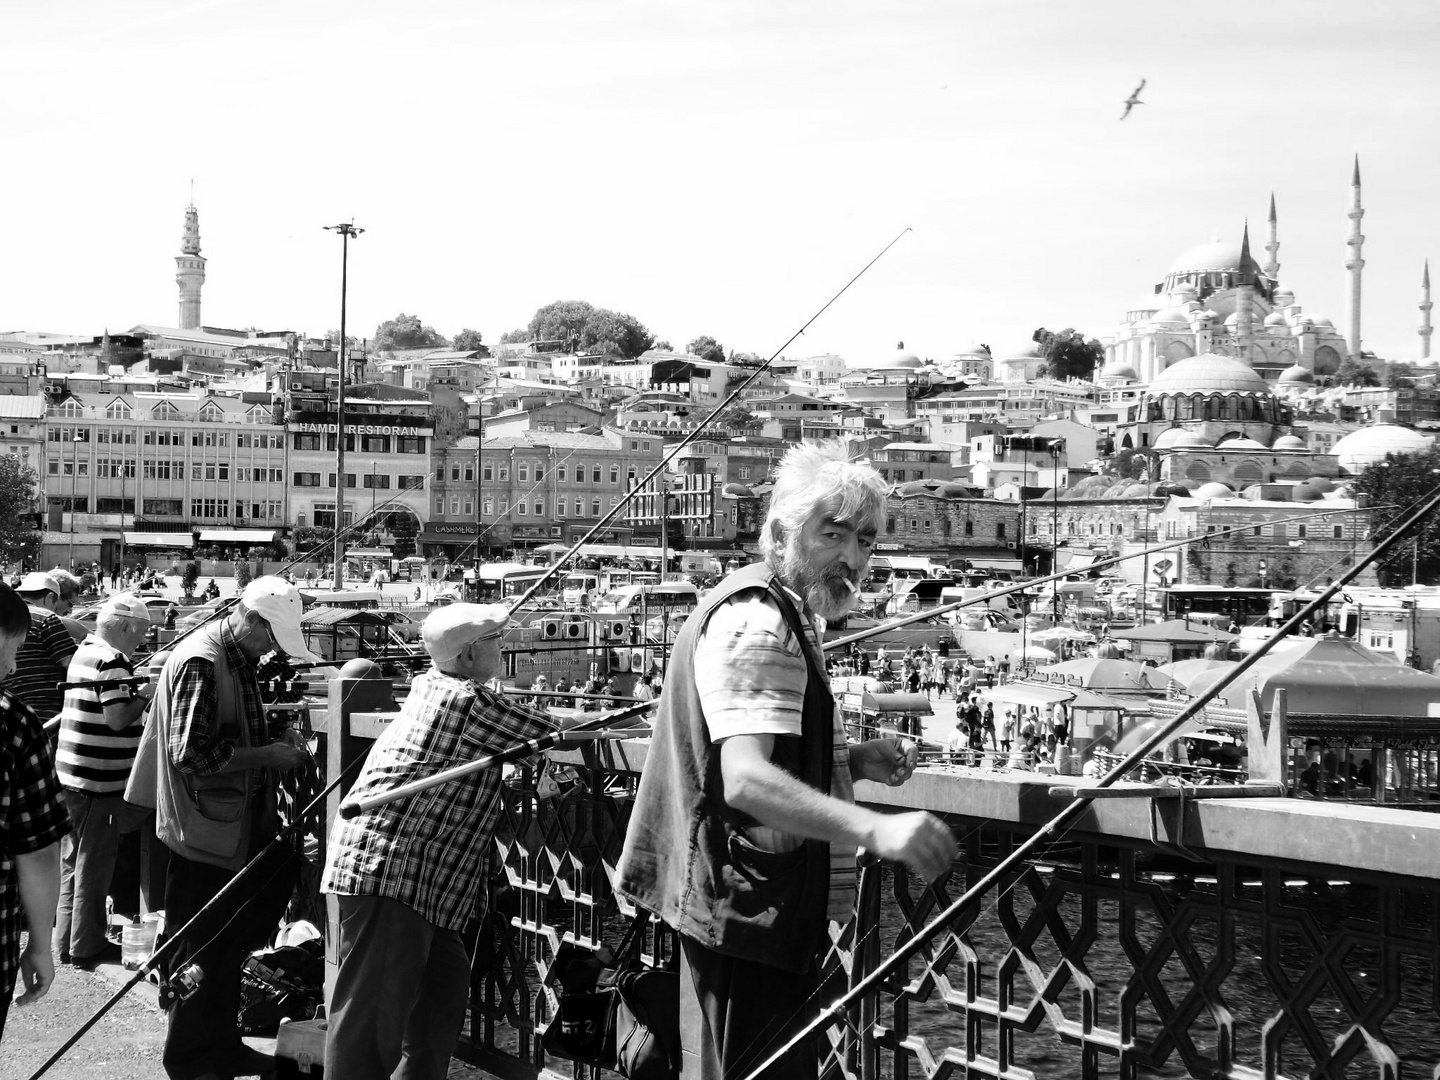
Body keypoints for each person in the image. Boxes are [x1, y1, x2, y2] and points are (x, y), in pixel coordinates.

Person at [615, 442, 956, 1080]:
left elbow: (748, 758)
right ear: (779, 533)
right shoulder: (760, 622)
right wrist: (875, 828)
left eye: (866, 541)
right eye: (833, 534)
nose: (853, 559)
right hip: (743, 909)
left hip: (740, 904)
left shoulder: (772, 609)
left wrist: (849, 762)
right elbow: (743, 779)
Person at [323, 604, 569, 1080]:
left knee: (440, 1002)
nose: (505, 648)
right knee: (370, 1022)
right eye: (497, 641)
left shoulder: (431, 682)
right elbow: (561, 735)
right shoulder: (466, 703)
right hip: (392, 872)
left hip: (431, 883)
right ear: (472, 653)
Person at [126, 577, 314, 1080]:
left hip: (228, 825)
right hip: (204, 831)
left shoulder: (235, 658)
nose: (273, 649)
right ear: (251, 620)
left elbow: (225, 729)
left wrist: (274, 736)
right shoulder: (203, 662)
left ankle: (221, 1047)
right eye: (272, 637)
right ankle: (190, 1059)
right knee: (201, 951)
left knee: (227, 945)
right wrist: (268, 755)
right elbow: (189, 754)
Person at [52, 594, 156, 968]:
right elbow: (116, 719)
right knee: (94, 867)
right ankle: (87, 946)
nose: (143, 641)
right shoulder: (112, 661)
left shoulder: (86, 650)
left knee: (73, 864)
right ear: (126, 626)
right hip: (98, 783)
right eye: (142, 632)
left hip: (71, 777)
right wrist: (145, 695)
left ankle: (66, 942)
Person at [0, 582, 70, 1043]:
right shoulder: (16, 725)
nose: (12, 667)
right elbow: (40, 853)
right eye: (14, 648)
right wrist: (41, 944)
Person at [5, 572, 79, 726]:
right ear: (49, 599)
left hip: (9, 715)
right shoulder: (46, 618)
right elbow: (75, 667)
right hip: (46, 720)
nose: (69, 611)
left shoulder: (6, 617)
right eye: (56, 604)